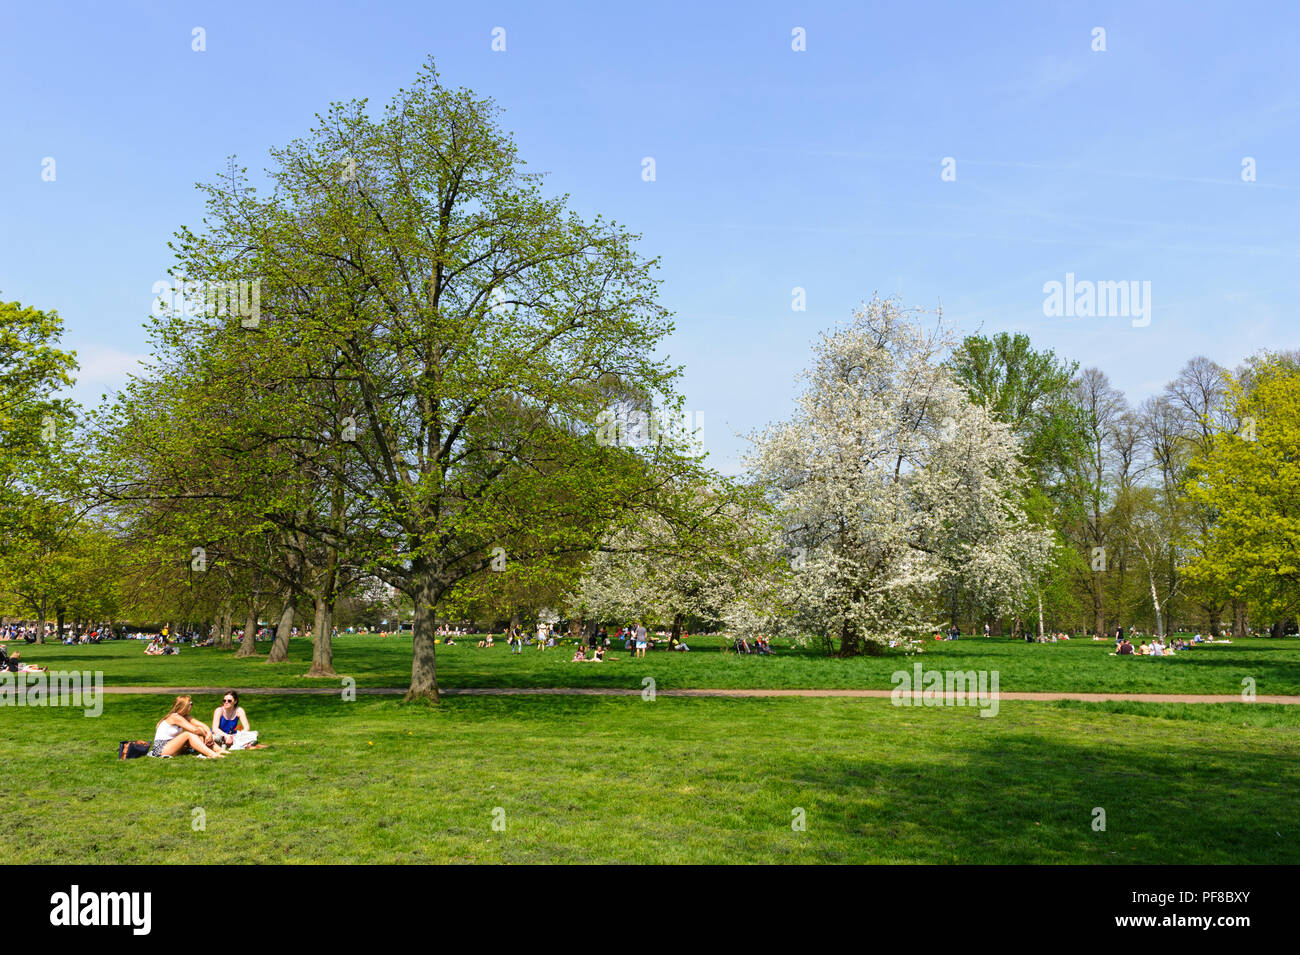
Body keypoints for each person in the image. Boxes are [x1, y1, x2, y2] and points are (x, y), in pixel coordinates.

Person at [151, 696, 225, 758]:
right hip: (161, 748)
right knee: (187, 734)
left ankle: (219, 750)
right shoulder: (175, 716)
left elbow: (202, 725)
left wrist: (208, 733)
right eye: (190, 704)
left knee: (200, 731)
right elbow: (194, 730)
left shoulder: (185, 716)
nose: (191, 706)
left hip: (172, 745)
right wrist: (206, 735)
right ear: (185, 706)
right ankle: (212, 754)